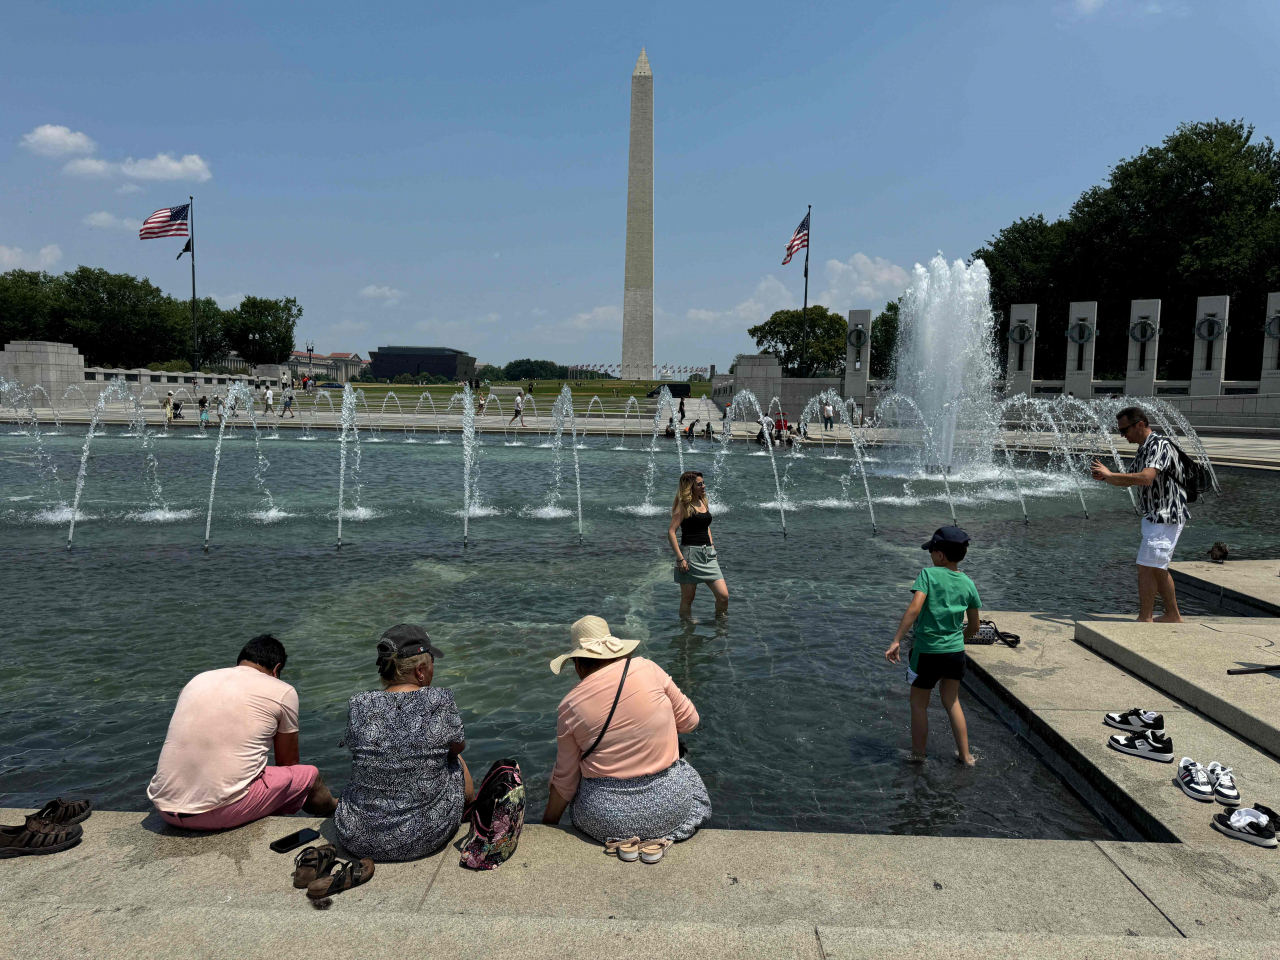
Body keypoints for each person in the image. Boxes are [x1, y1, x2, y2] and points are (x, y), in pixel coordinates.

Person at [541, 616, 710, 853]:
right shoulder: (648, 668)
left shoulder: (569, 706)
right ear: (616, 652)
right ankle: (657, 840)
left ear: (578, 664)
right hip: (670, 809)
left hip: (606, 820)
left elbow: (565, 782)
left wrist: (546, 826)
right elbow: (691, 722)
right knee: (685, 768)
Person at [146, 635, 338, 830]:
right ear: (277, 669)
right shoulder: (282, 690)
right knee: (309, 776)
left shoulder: (197, 680)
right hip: (219, 813)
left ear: (240, 662)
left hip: (164, 807)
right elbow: (287, 764)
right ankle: (336, 809)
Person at [334, 625, 475, 861]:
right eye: (432, 665)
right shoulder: (438, 699)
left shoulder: (359, 703)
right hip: (421, 837)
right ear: (420, 671)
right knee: (455, 759)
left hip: (356, 836)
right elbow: (457, 748)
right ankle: (469, 808)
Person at [884, 527, 980, 765]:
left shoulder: (928, 575)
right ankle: (966, 757)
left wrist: (896, 639)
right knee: (952, 702)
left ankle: (919, 755)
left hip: (927, 651)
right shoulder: (968, 582)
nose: (930, 555)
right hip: (955, 653)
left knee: (918, 704)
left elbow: (914, 608)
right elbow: (975, 626)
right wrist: (958, 641)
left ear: (940, 555)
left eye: (932, 551)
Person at [1090, 406, 1188, 623]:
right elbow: (1129, 478)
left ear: (1140, 425)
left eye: (1124, 430)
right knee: (1155, 566)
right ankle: (1170, 615)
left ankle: (1147, 617)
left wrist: (1110, 474)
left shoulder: (1160, 445)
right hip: (1154, 516)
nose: (1122, 435)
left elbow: (1145, 477)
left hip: (1165, 515)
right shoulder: (1144, 448)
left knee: (1149, 566)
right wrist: (1107, 477)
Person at [668, 470, 729, 618]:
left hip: (708, 554)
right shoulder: (684, 505)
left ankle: (720, 624)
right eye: (699, 484)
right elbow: (671, 532)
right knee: (688, 599)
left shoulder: (703, 501)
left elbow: (706, 527)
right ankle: (687, 630)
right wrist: (680, 558)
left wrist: (712, 547)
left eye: (703, 483)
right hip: (689, 556)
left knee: (723, 596)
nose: (704, 486)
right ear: (690, 487)